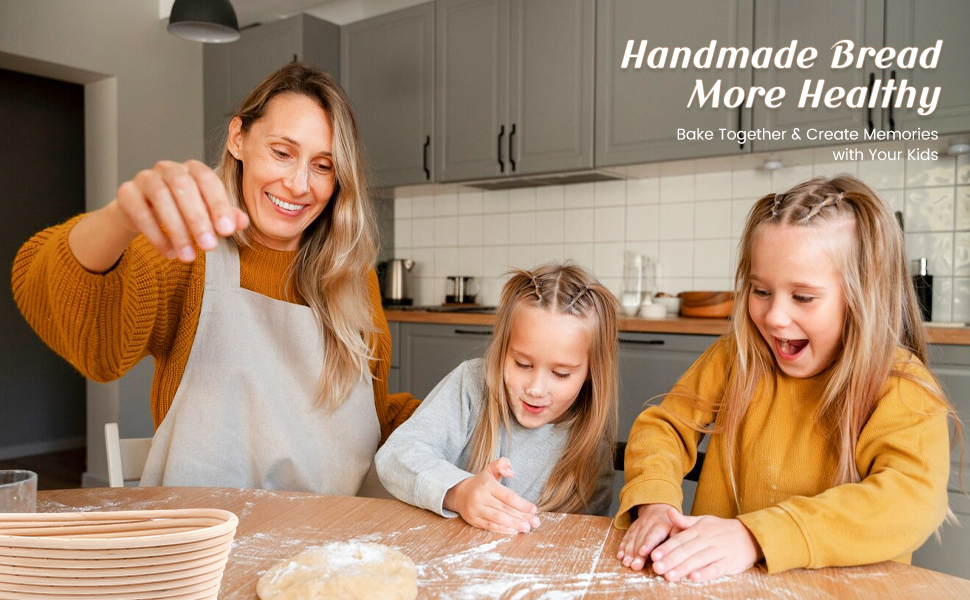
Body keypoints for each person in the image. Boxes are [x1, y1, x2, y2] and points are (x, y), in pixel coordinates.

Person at [12, 63, 419, 494]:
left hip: (335, 547)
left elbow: (369, 420)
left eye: (323, 166)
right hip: (210, 544)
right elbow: (95, 347)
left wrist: (469, 409)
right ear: (238, 138)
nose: (300, 184)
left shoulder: (354, 281)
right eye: (282, 153)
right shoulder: (188, 253)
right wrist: (120, 219)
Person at [615, 175, 962, 581]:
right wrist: (655, 501)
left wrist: (756, 536)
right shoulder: (738, 358)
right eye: (761, 291)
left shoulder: (901, 386)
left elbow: (909, 501)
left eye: (802, 297)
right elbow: (665, 428)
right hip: (726, 588)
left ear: (864, 295)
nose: (775, 317)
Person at [376, 264, 619, 533]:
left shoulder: (591, 436)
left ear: (590, 373)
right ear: (503, 349)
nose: (536, 389)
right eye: (522, 364)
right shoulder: (472, 384)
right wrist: (461, 492)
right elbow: (396, 455)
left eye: (561, 374)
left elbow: (585, 537)